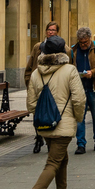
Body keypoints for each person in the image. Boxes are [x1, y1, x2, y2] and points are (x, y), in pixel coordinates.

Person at [22, 35, 85, 189]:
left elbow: (31, 103)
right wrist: (77, 118)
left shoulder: (35, 73)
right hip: (63, 124)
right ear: (63, 52)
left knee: (60, 158)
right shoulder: (69, 70)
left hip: (45, 125)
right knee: (53, 162)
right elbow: (79, 99)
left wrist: (41, 117)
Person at [72, 29, 95, 153]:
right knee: (79, 117)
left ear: (90, 39)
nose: (83, 44)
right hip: (79, 88)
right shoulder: (73, 50)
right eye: (81, 42)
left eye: (86, 42)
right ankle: (81, 144)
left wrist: (93, 72)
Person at [25, 21, 62, 153]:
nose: (50, 32)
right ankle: (39, 137)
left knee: (50, 112)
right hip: (37, 85)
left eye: (53, 30)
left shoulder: (63, 47)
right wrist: (29, 83)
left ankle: (48, 138)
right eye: (49, 30)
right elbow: (29, 67)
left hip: (53, 87)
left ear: (57, 32)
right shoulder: (38, 47)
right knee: (37, 114)